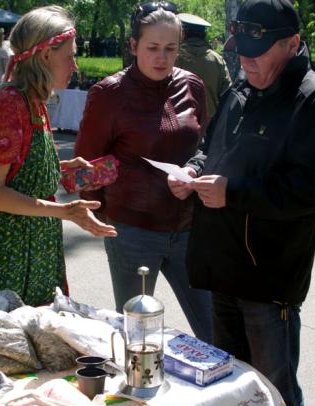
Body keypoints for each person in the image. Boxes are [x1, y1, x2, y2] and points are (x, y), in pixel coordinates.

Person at [167, 1, 315, 406]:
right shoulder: (241, 89)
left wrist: (235, 193)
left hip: (268, 281)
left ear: (292, 44)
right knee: (230, 390)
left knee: (274, 393)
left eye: (258, 50)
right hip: (220, 267)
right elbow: (212, 151)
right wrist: (192, 172)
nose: (245, 59)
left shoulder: (314, 100)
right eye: (240, 49)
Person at [73, 2, 214, 343]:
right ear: (133, 46)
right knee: (137, 337)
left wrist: (193, 170)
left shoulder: (192, 85)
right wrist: (103, 215)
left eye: (170, 49)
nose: (162, 58)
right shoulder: (109, 94)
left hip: (189, 228)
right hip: (133, 232)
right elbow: (84, 171)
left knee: (216, 331)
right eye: (152, 48)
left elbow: (207, 146)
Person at [0, 6, 116, 306]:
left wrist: (58, 168)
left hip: (37, 244)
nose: (75, 65)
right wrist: (64, 211)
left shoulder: (32, 101)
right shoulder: (8, 104)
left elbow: (16, 171)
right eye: (69, 56)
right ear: (46, 55)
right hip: (12, 252)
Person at [176, 13, 232, 121]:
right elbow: (227, 95)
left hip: (177, 124)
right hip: (209, 127)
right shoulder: (217, 60)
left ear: (183, 33)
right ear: (204, 34)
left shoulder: (174, 57)